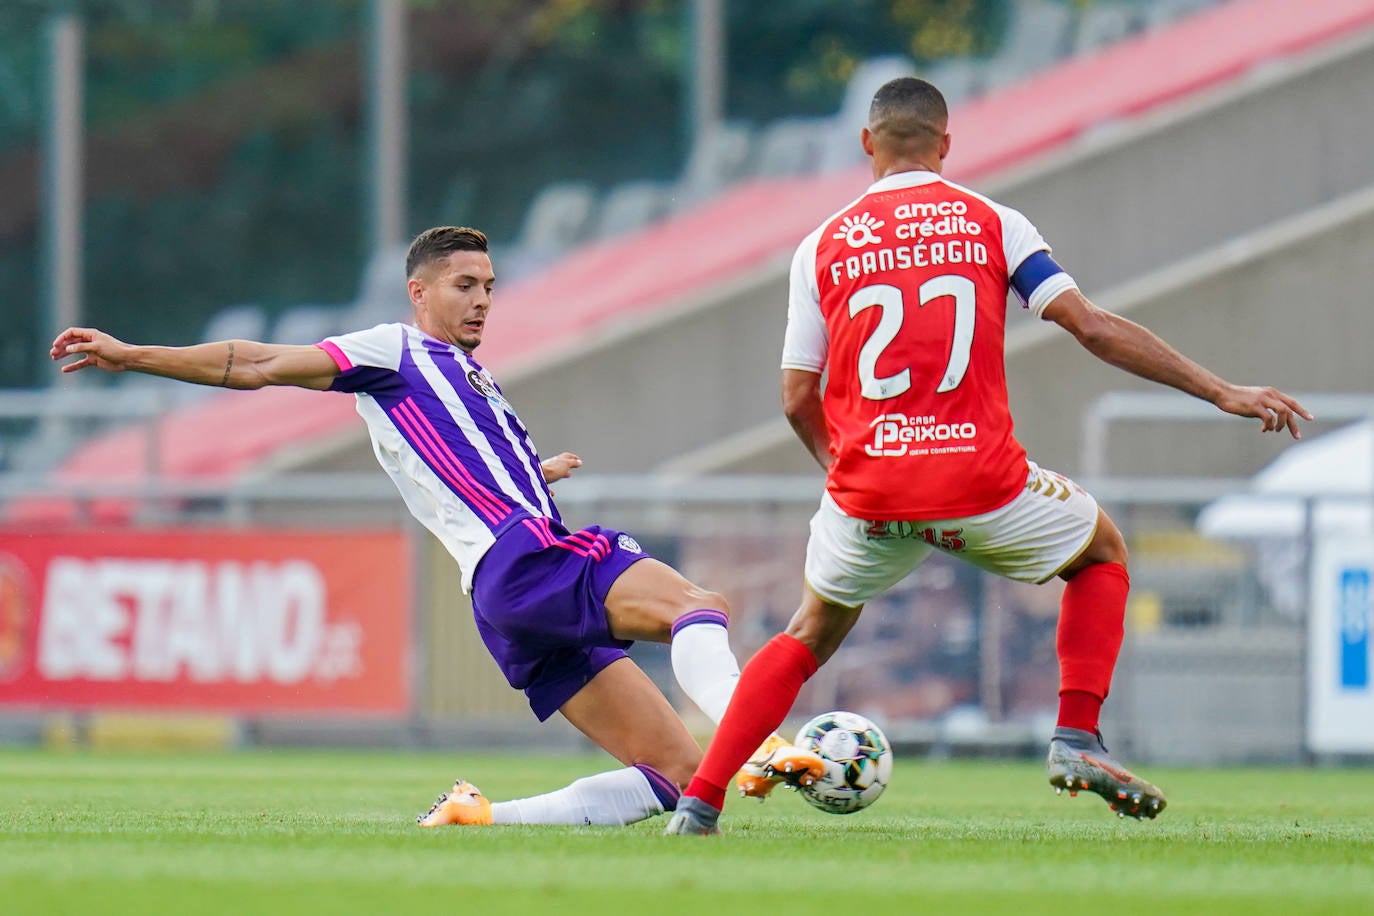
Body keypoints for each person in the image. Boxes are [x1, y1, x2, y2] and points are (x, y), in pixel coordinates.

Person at [664, 77, 1313, 835]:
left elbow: (797, 396)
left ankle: (700, 805)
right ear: (946, 142)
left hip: (867, 484)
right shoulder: (993, 222)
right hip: (982, 481)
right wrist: (1221, 390)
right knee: (1100, 552)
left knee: (809, 632)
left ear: (868, 144)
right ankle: (1075, 737)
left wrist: (853, 471)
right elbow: (1092, 328)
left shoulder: (822, 245)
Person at [50, 225, 810, 828]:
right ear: (419, 293)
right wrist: (133, 355)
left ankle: (478, 818)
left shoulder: (471, 379)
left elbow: (446, 473)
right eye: (464, 285)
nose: (482, 300)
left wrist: (532, 473)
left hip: (503, 596)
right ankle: (762, 741)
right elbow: (256, 365)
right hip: (526, 560)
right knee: (697, 605)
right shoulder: (395, 349)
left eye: (488, 287)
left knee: (678, 776)